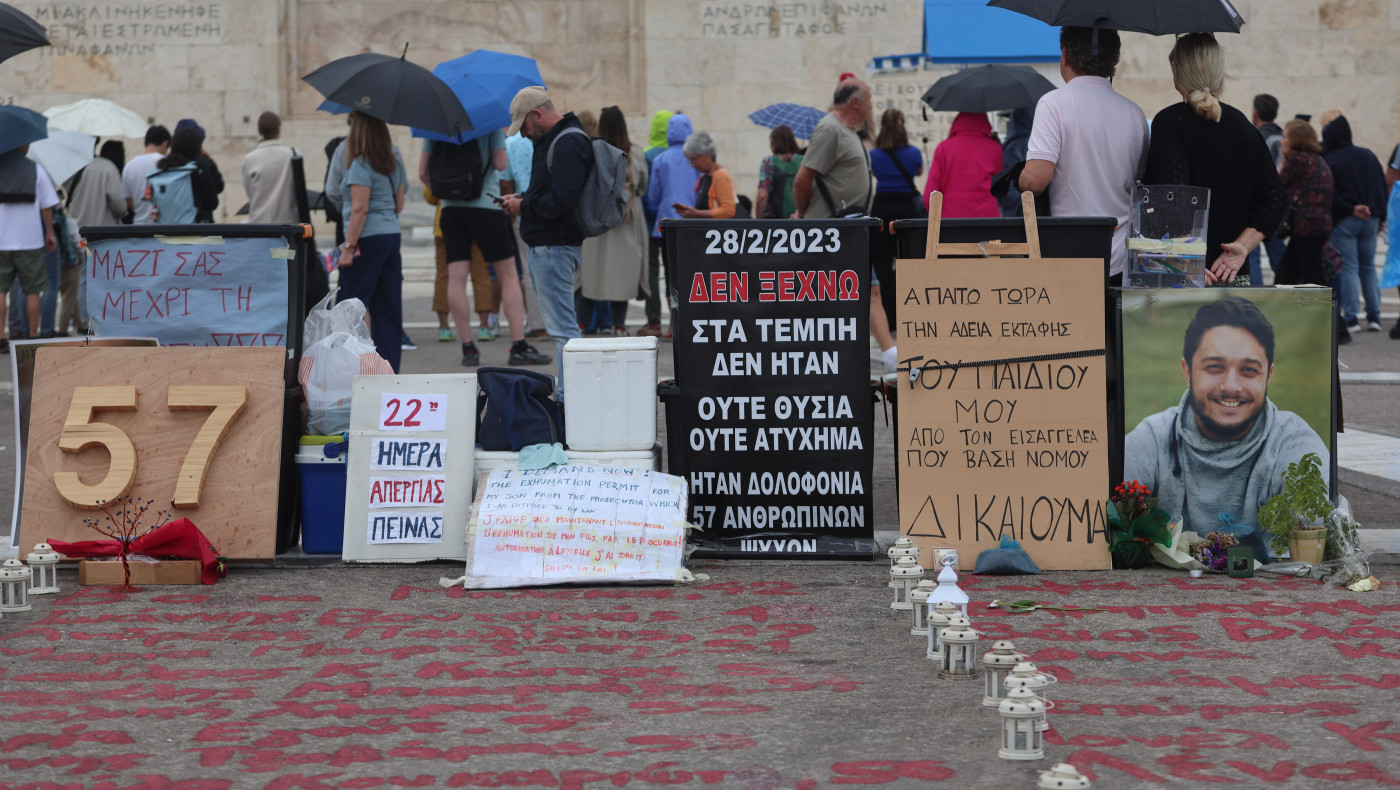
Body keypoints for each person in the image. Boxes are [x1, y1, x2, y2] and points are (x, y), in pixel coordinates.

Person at [1124, 297, 1330, 563]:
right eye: (1214, 367)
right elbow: (1102, 529)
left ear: (1269, 375)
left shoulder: (1297, 449)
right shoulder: (1152, 439)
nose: (1231, 385)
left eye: (1249, 370)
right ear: (1187, 371)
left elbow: (1307, 557)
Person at [1143, 33, 1286, 286]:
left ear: (1178, 75)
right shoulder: (1244, 126)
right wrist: (1242, 247)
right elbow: (1275, 198)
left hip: (1184, 276)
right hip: (1233, 274)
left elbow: (1175, 199)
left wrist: (1189, 261)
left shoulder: (1169, 123)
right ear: (1220, 71)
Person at [1019, 26, 1149, 284]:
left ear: (1065, 55)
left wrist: (1017, 176)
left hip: (1068, 252)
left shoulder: (1053, 103)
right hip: (1120, 256)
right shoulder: (1134, 113)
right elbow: (1138, 185)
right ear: (1114, 61)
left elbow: (1035, 181)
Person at [419, 127, 550, 368]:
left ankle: (468, 348)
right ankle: (519, 346)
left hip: (450, 209)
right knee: (508, 275)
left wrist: (446, 191)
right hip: (485, 206)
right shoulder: (487, 122)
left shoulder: (437, 123)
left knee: (456, 277)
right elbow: (501, 164)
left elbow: (422, 173)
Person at [500, 87, 591, 396]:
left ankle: (571, 399)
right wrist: (522, 198)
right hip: (552, 247)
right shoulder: (557, 139)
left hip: (554, 247)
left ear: (537, 114)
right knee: (562, 329)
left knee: (563, 331)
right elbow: (551, 191)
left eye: (523, 127)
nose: (523, 136)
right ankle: (572, 395)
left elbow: (563, 200)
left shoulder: (568, 142)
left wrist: (523, 207)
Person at [336, 110, 408, 372]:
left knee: (349, 305)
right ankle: (389, 372)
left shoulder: (360, 165)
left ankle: (354, 367)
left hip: (367, 239)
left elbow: (360, 209)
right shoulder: (394, 160)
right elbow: (399, 204)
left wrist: (348, 247)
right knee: (388, 308)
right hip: (391, 234)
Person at [578, 106, 648, 336]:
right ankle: (619, 325)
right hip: (627, 219)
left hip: (598, 219)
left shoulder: (593, 150)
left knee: (591, 273)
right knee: (623, 273)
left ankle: (582, 324)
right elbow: (643, 187)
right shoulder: (635, 153)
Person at [1322, 113, 1389, 333]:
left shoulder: (1331, 159)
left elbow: (1330, 194)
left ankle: (1351, 319)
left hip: (1346, 220)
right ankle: (1374, 316)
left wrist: (1351, 209)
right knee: (1368, 267)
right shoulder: (1368, 155)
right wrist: (1381, 216)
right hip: (1371, 219)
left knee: (1349, 268)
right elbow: (1381, 185)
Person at [641, 113, 699, 338]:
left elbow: (653, 196)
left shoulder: (660, 159)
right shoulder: (694, 157)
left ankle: (673, 323)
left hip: (666, 223)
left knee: (670, 271)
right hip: (693, 222)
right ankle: (690, 318)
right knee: (691, 271)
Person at [866, 110, 923, 332]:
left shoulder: (875, 154)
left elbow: (874, 172)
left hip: (881, 207)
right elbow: (918, 171)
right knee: (906, 261)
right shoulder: (913, 152)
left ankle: (886, 316)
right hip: (907, 207)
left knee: (881, 263)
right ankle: (906, 313)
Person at [0, 144, 58, 351]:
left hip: (1, 240)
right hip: (30, 240)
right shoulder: (35, 169)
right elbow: (47, 204)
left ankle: (0, 338)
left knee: (0, 290)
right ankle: (33, 338)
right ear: (21, 144)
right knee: (33, 290)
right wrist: (50, 232)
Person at [64, 140, 126, 334]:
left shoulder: (75, 168)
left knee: (83, 276)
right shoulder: (109, 168)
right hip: (103, 236)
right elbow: (119, 205)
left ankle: (84, 320)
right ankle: (105, 318)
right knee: (106, 277)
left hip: (79, 236)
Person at [793, 79, 873, 219]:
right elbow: (802, 181)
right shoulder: (830, 129)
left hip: (845, 226)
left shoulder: (846, 129)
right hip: (830, 229)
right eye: (868, 100)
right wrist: (801, 213)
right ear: (855, 102)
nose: (870, 106)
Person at [1274, 119, 1334, 286]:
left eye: (1285, 137)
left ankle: (1330, 312)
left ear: (1295, 140)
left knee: (1313, 280)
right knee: (1286, 276)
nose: (1281, 140)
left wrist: (1283, 162)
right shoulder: (1317, 160)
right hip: (1314, 228)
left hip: (1306, 228)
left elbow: (1275, 185)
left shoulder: (1299, 160)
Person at [505, 130, 548, 339]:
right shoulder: (544, 139)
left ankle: (538, 323)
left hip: (522, 210)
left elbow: (505, 180)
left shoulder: (511, 143)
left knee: (529, 269)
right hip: (546, 208)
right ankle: (552, 319)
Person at [922, 111, 999, 218]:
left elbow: (928, 196)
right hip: (988, 219)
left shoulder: (943, 148)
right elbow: (1003, 190)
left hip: (950, 220)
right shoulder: (995, 148)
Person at [1246, 93, 1289, 284]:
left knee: (1251, 254)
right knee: (1278, 253)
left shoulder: (1254, 137)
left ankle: (1256, 298)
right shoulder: (1284, 137)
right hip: (1278, 207)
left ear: (1255, 113)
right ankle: (1289, 290)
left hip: (1254, 207)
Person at [148, 125, 222, 224]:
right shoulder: (198, 168)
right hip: (194, 231)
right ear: (196, 146)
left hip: (166, 231)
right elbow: (212, 203)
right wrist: (209, 162)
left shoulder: (161, 168)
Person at [241, 111, 298, 223]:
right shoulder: (294, 154)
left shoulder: (249, 159)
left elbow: (250, 191)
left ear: (259, 130)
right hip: (288, 222)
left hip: (259, 223)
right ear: (279, 128)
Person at [673, 131, 736, 220]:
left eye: (694, 159)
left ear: (707, 154)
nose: (693, 164)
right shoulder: (703, 178)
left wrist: (697, 214)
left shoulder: (720, 175)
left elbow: (728, 211)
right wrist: (691, 212)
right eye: (690, 161)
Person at [174, 119, 223, 222]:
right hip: (200, 225)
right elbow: (215, 195)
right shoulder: (201, 166)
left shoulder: (167, 166)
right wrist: (209, 162)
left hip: (172, 226)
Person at [122, 125, 170, 224]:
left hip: (138, 227)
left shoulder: (129, 166)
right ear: (165, 144)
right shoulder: (166, 163)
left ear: (144, 143)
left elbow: (128, 201)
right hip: (163, 227)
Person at [754, 124, 803, 221]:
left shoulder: (769, 162)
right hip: (800, 219)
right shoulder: (803, 161)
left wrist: (758, 221)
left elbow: (762, 195)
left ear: (774, 143)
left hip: (776, 222)